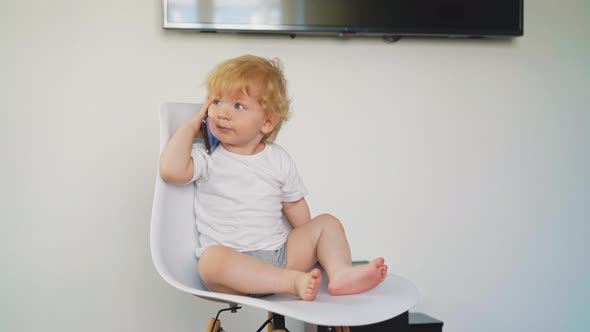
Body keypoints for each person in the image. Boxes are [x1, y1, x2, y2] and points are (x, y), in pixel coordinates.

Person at [159, 54, 387, 301]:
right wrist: (191, 127)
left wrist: (314, 244)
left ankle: (341, 272)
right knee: (211, 261)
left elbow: (294, 205)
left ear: (267, 122)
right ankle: (292, 283)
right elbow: (171, 170)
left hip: (280, 256)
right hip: (234, 268)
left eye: (237, 106)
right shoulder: (207, 155)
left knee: (327, 223)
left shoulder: (278, 159)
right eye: (216, 101)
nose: (222, 112)